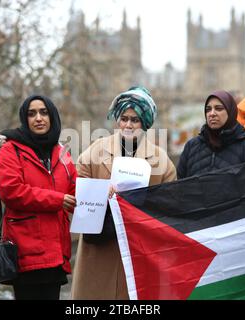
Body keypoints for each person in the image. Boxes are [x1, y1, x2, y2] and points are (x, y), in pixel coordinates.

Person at [71, 86, 177, 300]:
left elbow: (170, 203)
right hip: (100, 250)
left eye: (135, 120)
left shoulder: (161, 160)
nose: (128, 125)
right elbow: (76, 184)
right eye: (124, 118)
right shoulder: (95, 150)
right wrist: (101, 193)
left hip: (139, 253)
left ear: (144, 123)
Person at [0, 94, 77, 300]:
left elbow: (77, 191)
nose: (38, 118)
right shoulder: (11, 150)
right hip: (26, 253)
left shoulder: (62, 153)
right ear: (25, 119)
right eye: (32, 114)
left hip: (57, 253)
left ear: (52, 117)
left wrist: (105, 195)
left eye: (44, 112)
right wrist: (57, 200)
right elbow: (11, 192)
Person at [177, 90, 245, 179]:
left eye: (218, 108)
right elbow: (179, 185)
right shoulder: (192, 146)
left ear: (231, 112)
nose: (212, 114)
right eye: (208, 109)